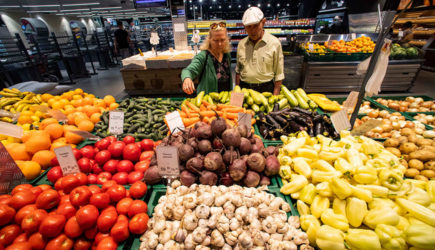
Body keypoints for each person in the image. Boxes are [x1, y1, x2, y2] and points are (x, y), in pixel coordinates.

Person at [236, 7, 284, 95]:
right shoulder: (241, 44)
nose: (252, 30)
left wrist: (275, 97)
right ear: (244, 27)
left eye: (256, 25)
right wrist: (237, 94)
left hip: (266, 89)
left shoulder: (274, 43)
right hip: (244, 90)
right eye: (248, 27)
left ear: (263, 22)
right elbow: (238, 71)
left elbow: (279, 74)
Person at [181, 22, 233, 95]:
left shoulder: (227, 55)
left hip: (225, 101)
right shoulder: (203, 56)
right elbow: (188, 70)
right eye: (216, 40)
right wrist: (187, 78)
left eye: (222, 40)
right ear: (209, 40)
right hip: (208, 103)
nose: (220, 44)